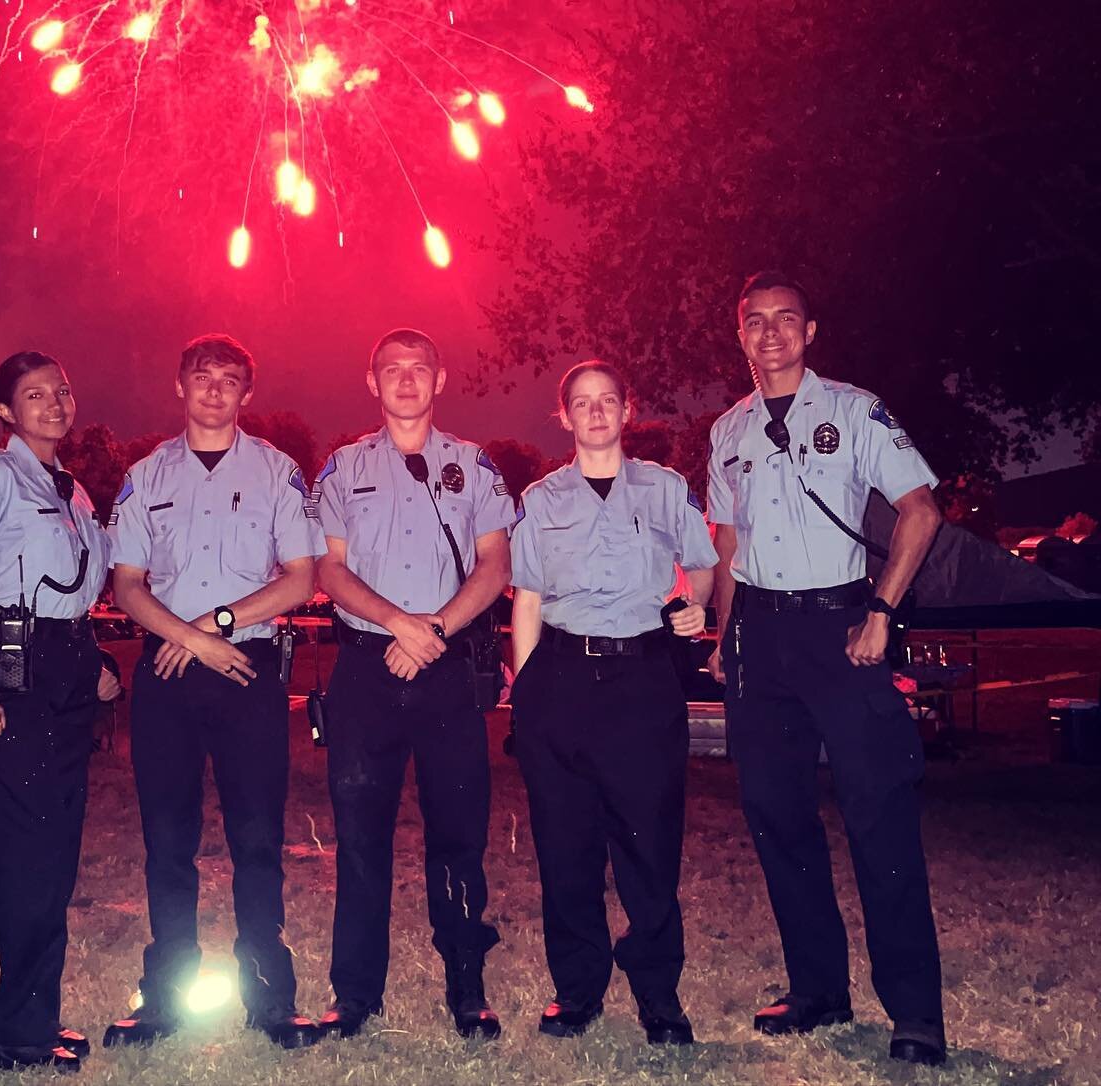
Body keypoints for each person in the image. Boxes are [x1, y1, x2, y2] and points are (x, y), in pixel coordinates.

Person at [704, 272, 947, 1066]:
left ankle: (914, 1013)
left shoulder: (853, 408)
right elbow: (729, 548)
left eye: (786, 321)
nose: (770, 334)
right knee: (779, 820)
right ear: (739, 335)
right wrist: (723, 636)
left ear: (811, 332)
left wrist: (881, 610)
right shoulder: (727, 430)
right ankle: (817, 991)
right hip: (761, 643)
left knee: (879, 815)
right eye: (755, 323)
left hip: (844, 632)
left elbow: (921, 508)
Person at [104, 334, 324, 1051]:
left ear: (246, 395)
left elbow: (300, 578)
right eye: (203, 378)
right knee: (168, 844)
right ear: (179, 386)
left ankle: (269, 997)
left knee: (257, 842)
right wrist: (194, 640)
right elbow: (126, 586)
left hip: (248, 671)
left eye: (231, 381)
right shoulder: (144, 475)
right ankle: (164, 995)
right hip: (167, 676)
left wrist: (216, 624)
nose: (216, 391)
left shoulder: (276, 472)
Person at [311, 328, 513, 1040]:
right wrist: (400, 624)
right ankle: (355, 994)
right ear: (372, 383)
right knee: (360, 839)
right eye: (390, 368)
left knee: (458, 836)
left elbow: (494, 565)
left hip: (446, 667)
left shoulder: (472, 466)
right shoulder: (340, 468)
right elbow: (328, 572)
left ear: (440, 379)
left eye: (418, 368)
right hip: (367, 670)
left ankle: (467, 987)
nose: (404, 379)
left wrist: (434, 633)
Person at [509, 361, 717, 1044]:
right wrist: (525, 696)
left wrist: (697, 606)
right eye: (581, 404)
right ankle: (577, 989)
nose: (595, 414)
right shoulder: (541, 500)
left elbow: (704, 566)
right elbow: (530, 601)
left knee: (649, 846)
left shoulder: (666, 490)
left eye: (607, 402)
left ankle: (659, 994)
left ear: (628, 411)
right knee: (565, 848)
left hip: (642, 681)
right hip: (561, 680)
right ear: (563, 416)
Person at [0, 351, 113, 1075]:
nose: (53, 403)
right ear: (5, 410)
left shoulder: (73, 491)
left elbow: (75, 593)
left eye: (61, 391)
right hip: (11, 672)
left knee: (55, 855)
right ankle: (19, 1039)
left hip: (63, 674)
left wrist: (93, 662)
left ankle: (40, 1019)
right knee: (26, 859)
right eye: (33, 395)